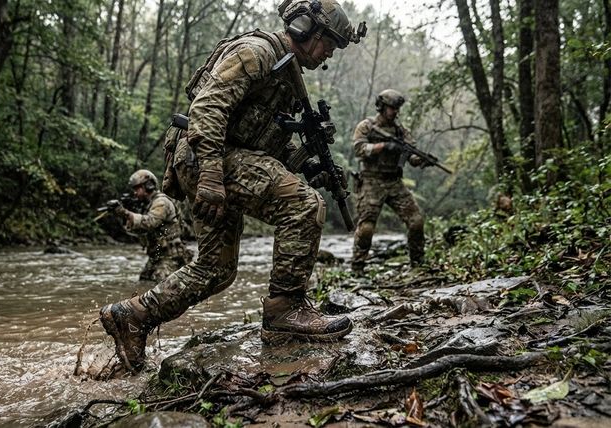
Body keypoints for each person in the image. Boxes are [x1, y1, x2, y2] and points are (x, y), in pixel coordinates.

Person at [100, 0, 361, 374]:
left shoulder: (286, 73)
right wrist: (209, 177)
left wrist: (308, 164)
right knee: (304, 204)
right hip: (206, 157)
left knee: (215, 270)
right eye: (329, 44)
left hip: (220, 160)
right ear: (306, 29)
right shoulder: (256, 52)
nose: (329, 54)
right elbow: (207, 110)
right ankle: (285, 310)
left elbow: (266, 138)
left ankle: (132, 315)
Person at [350, 89, 427, 273]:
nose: (395, 112)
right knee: (367, 227)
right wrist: (383, 146)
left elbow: (412, 157)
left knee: (416, 221)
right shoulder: (367, 126)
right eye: (392, 108)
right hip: (370, 181)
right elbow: (359, 149)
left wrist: (420, 160)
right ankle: (357, 267)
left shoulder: (401, 132)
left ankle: (418, 263)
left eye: (397, 108)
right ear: (382, 107)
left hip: (394, 182)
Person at [112, 169, 194, 282]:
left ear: (148, 186)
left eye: (137, 188)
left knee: (161, 287)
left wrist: (125, 213)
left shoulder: (161, 202)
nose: (135, 192)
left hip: (171, 256)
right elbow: (138, 231)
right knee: (144, 283)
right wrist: (125, 217)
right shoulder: (146, 205)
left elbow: (150, 222)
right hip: (157, 256)